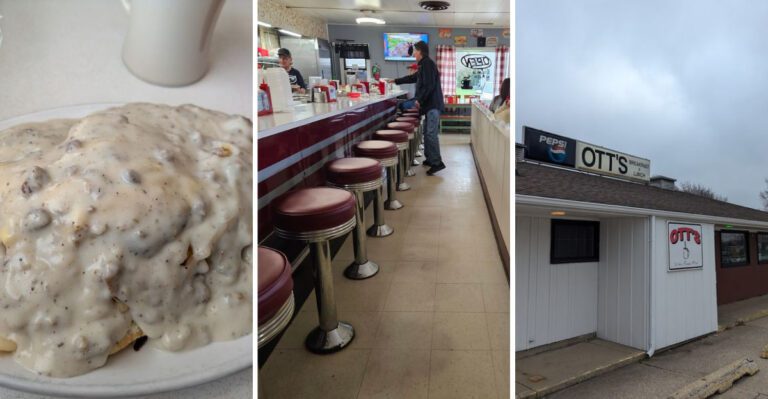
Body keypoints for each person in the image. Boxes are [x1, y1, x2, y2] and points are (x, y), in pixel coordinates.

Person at [391, 41, 446, 175]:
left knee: (431, 134)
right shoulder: (423, 65)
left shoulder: (427, 64)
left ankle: (437, 163)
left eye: (415, 51)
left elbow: (429, 86)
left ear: (420, 51)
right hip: (430, 105)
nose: (413, 53)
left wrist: (419, 100)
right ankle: (430, 159)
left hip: (432, 105)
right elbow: (413, 78)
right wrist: (395, 81)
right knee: (427, 133)